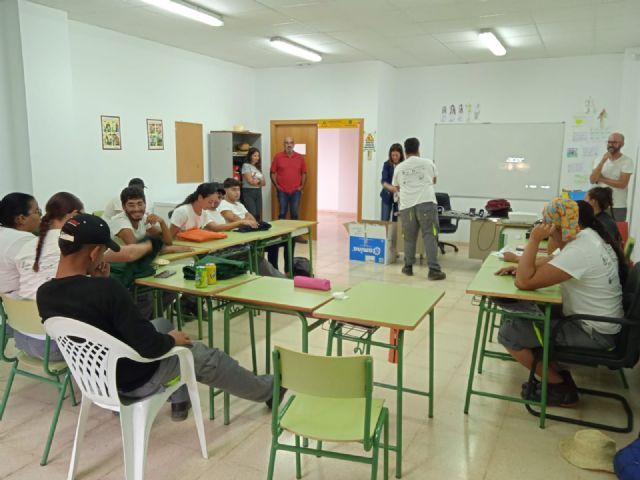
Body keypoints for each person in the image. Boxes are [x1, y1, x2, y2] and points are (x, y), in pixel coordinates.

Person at [37, 214, 278, 421]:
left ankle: (179, 399)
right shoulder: (107, 290)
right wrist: (173, 340)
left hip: (94, 378)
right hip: (133, 378)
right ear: (95, 253)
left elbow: (94, 325)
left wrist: (102, 282)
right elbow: (150, 347)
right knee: (205, 355)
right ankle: (269, 390)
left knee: (161, 324)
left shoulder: (45, 294)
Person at [496, 198, 627, 406]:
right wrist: (521, 264)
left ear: (559, 227)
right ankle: (558, 376)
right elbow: (550, 261)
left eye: (549, 226)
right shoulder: (588, 236)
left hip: (594, 333)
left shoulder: (580, 250)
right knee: (525, 316)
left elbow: (524, 281)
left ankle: (559, 387)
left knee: (509, 332)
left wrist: (534, 241)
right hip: (602, 326)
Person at [392, 137, 446, 280]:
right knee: (430, 235)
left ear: (405, 151)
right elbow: (434, 180)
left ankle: (408, 267)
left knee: (409, 238)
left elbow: (396, 187)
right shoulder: (428, 163)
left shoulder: (399, 167)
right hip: (426, 203)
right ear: (418, 149)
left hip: (407, 206)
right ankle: (434, 270)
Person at [111, 186, 194, 254]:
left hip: (136, 262)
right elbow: (136, 250)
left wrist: (162, 222)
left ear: (145, 204)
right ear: (123, 207)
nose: (136, 209)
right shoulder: (119, 221)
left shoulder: (143, 218)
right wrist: (171, 249)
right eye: (131, 205)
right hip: (119, 266)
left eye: (140, 204)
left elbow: (168, 242)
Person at [0, 193, 41, 295]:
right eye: (37, 212)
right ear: (21, 218)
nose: (41, 216)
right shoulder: (25, 241)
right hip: (24, 304)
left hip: (6, 305)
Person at [589, 133, 633, 220]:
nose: (611, 145)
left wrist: (601, 178)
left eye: (614, 142)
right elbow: (593, 180)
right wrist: (603, 161)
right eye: (609, 142)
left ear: (622, 144)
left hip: (617, 206)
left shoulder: (627, 161)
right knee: (596, 232)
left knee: (616, 232)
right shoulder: (599, 159)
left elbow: (622, 184)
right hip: (598, 204)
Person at [271, 136, 307, 236]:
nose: (289, 145)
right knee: (282, 212)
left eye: (291, 143)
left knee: (294, 213)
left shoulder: (300, 157)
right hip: (282, 190)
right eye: (286, 143)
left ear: (294, 144)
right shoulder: (278, 157)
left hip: (296, 191)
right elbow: (272, 172)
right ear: (284, 144)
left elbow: (304, 173)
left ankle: (294, 235)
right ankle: (281, 235)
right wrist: (277, 186)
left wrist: (302, 187)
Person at [380, 143, 404, 221]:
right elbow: (383, 181)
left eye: (396, 155)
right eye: (392, 155)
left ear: (401, 154)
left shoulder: (404, 165)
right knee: (384, 219)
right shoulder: (386, 164)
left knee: (396, 221)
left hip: (399, 197)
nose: (394, 157)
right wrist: (392, 188)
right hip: (387, 195)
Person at [241, 147, 265, 221]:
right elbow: (250, 181)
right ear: (250, 156)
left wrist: (257, 181)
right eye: (255, 156)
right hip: (248, 191)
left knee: (258, 213)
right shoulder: (246, 166)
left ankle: (258, 228)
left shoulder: (257, 167)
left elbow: (264, 183)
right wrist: (259, 181)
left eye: (258, 156)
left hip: (258, 191)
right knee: (252, 213)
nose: (257, 158)